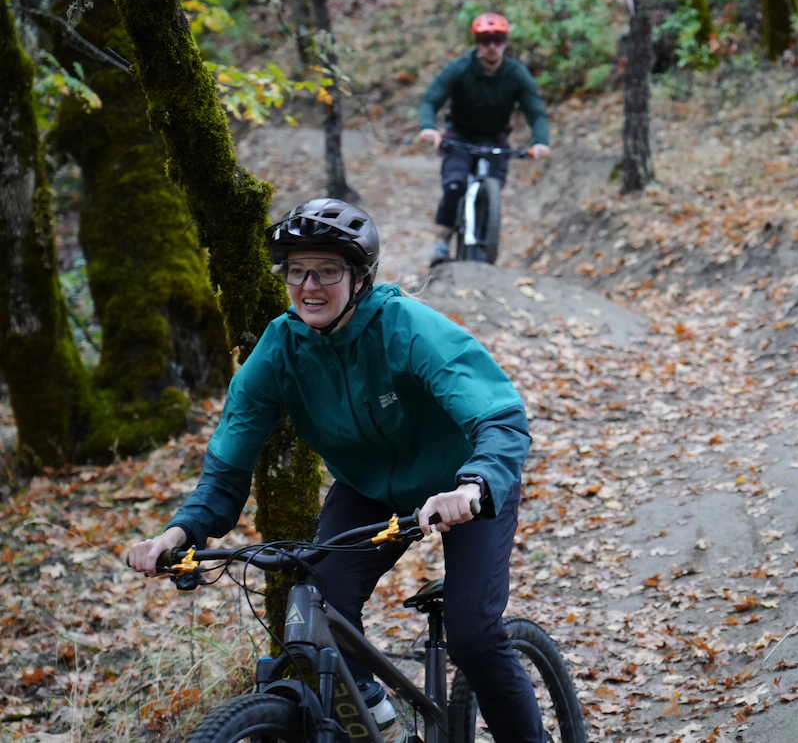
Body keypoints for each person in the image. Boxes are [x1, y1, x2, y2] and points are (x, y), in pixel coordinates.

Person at [126, 198, 544, 743]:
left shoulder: (407, 328)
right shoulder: (280, 349)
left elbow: (500, 418)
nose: (309, 286)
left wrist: (475, 484)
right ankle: (384, 724)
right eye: (296, 271)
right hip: (368, 489)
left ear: (359, 277)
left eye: (326, 271)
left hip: (464, 482)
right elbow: (226, 469)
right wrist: (180, 532)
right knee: (320, 607)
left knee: (472, 635)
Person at [418, 12, 552, 266]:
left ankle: (483, 239)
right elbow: (430, 100)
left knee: (493, 189)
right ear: (477, 42)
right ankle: (442, 242)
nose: (492, 46)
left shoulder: (516, 73)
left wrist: (540, 142)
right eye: (485, 40)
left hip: (495, 138)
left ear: (505, 42)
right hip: (460, 135)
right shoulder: (459, 68)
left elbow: (536, 112)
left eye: (498, 40)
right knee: (454, 185)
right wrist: (429, 128)